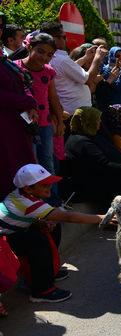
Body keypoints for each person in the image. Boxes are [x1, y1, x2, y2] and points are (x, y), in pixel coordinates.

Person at [2, 164, 114, 302]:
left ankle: (49, 273)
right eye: (44, 185)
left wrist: (41, 222)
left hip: (14, 231)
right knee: (37, 241)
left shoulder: (22, 194)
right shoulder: (28, 203)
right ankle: (41, 290)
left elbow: (21, 218)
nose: (49, 187)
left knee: (52, 227)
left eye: (49, 183)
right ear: (28, 188)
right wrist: (101, 218)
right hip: (5, 240)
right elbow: (68, 217)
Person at [64, 106, 121, 205]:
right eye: (96, 119)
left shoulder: (91, 135)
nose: (99, 122)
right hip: (93, 186)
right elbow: (104, 165)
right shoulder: (80, 142)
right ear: (88, 122)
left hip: (102, 176)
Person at [14, 33, 64, 181]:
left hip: (45, 123)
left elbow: (53, 98)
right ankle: (34, 200)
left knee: (47, 161)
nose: (44, 57)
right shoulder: (15, 68)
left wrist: (60, 121)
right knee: (31, 161)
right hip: (24, 124)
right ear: (29, 47)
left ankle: (52, 199)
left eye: (49, 55)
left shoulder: (48, 71)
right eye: (40, 51)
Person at [0, 14, 39, 199]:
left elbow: (23, 82)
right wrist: (27, 102)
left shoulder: (3, 57)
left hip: (16, 126)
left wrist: (31, 103)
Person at [45, 21, 106, 114]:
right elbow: (89, 79)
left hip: (73, 111)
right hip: (76, 113)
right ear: (50, 38)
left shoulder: (57, 58)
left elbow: (69, 68)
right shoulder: (61, 59)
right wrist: (98, 58)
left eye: (65, 37)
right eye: (61, 37)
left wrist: (86, 58)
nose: (64, 40)